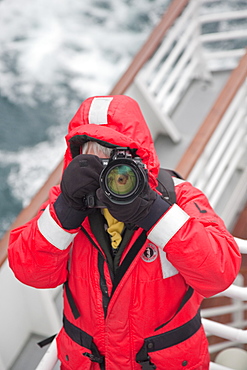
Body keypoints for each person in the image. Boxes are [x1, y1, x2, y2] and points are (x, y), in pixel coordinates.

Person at [8, 95, 241, 370]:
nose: (108, 175)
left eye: (117, 162)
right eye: (93, 160)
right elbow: (31, 271)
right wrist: (66, 211)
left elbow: (220, 274)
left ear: (140, 158)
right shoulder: (66, 202)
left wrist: (155, 213)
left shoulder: (178, 199)